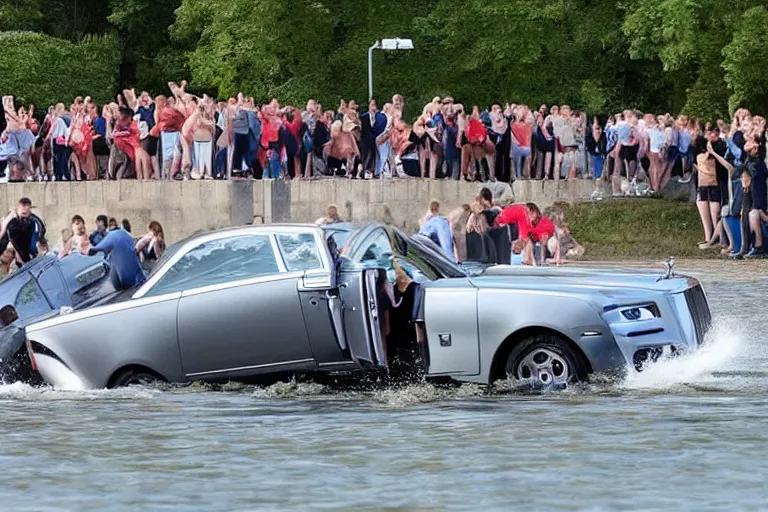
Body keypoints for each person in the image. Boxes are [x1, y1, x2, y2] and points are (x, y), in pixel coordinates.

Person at [0, 198, 47, 265]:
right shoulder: (11, 222)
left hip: (31, 244)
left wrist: (40, 240)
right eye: (22, 208)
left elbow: (41, 229)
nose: (24, 210)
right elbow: (4, 237)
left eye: (27, 209)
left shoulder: (34, 220)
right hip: (20, 247)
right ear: (18, 208)